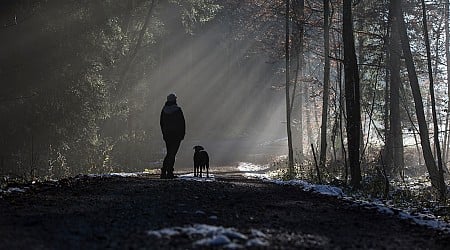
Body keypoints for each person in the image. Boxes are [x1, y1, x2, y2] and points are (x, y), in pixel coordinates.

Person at [160, 93, 185, 179]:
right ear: (174, 100)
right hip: (176, 135)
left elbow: (161, 123)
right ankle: (168, 171)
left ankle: (165, 171)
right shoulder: (177, 110)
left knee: (169, 152)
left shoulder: (164, 110)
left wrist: (164, 133)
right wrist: (182, 134)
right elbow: (182, 123)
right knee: (172, 153)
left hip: (167, 135)